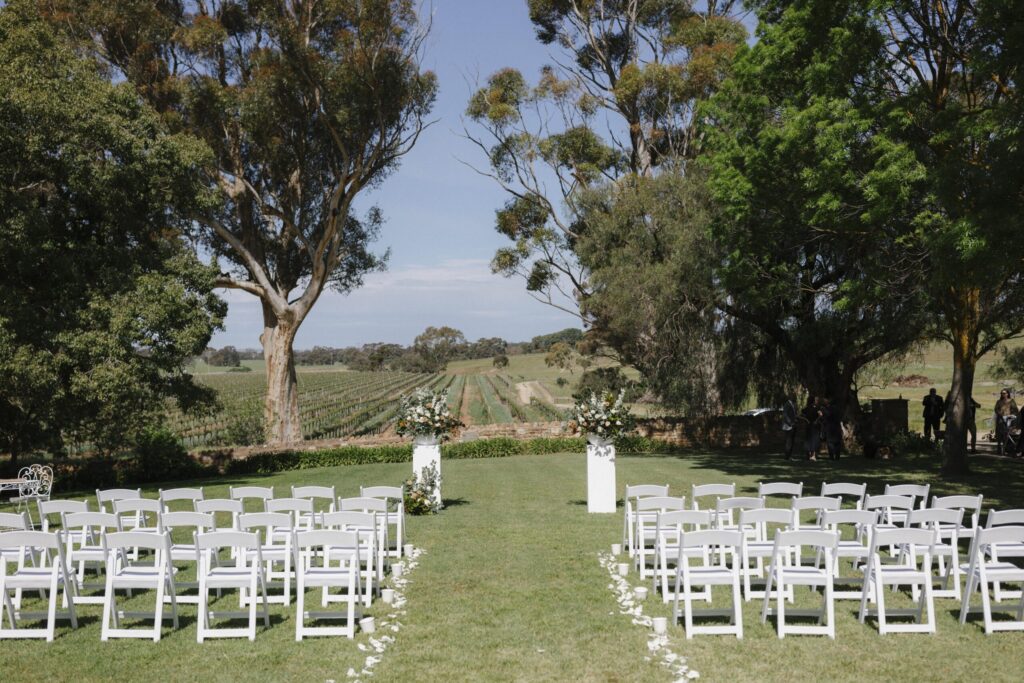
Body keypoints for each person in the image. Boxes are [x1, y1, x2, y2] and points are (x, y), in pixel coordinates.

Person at [802, 396, 822, 462]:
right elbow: (821, 415)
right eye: (816, 400)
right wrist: (816, 421)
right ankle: (812, 456)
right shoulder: (816, 408)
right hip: (814, 426)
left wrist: (806, 420)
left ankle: (809, 455)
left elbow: (802, 414)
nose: (817, 401)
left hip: (809, 425)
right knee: (813, 440)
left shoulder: (807, 408)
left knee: (809, 440)